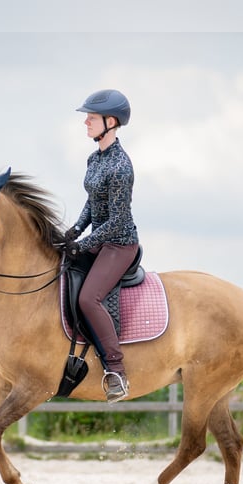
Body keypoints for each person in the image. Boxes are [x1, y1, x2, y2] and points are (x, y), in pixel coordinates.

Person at [64, 89, 140, 404]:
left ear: (111, 122)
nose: (85, 122)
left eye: (91, 118)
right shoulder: (95, 159)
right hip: (99, 239)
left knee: (88, 298)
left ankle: (117, 373)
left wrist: (84, 244)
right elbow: (92, 201)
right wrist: (74, 230)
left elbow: (118, 222)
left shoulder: (121, 166)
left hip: (119, 244)